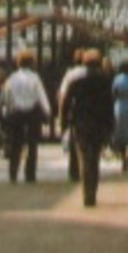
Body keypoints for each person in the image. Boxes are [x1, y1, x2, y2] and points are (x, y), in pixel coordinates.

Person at [61, 48, 114, 207]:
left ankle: (86, 192)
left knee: (84, 157)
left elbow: (66, 103)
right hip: (99, 123)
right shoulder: (105, 81)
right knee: (95, 158)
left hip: (81, 123)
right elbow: (109, 105)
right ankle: (93, 191)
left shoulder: (76, 82)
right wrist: (110, 125)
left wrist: (64, 122)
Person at [0, 50, 51, 183]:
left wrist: (6, 110)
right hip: (32, 114)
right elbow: (41, 96)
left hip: (16, 114)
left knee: (15, 145)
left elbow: (6, 96)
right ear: (32, 63)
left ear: (18, 63)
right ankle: (30, 174)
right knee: (32, 145)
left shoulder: (12, 78)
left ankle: (13, 173)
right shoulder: (35, 78)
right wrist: (47, 112)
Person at [57, 48, 88, 183]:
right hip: (91, 112)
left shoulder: (70, 74)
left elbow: (63, 96)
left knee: (75, 141)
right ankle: (88, 169)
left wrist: (60, 116)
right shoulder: (94, 73)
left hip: (76, 112)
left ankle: (74, 171)